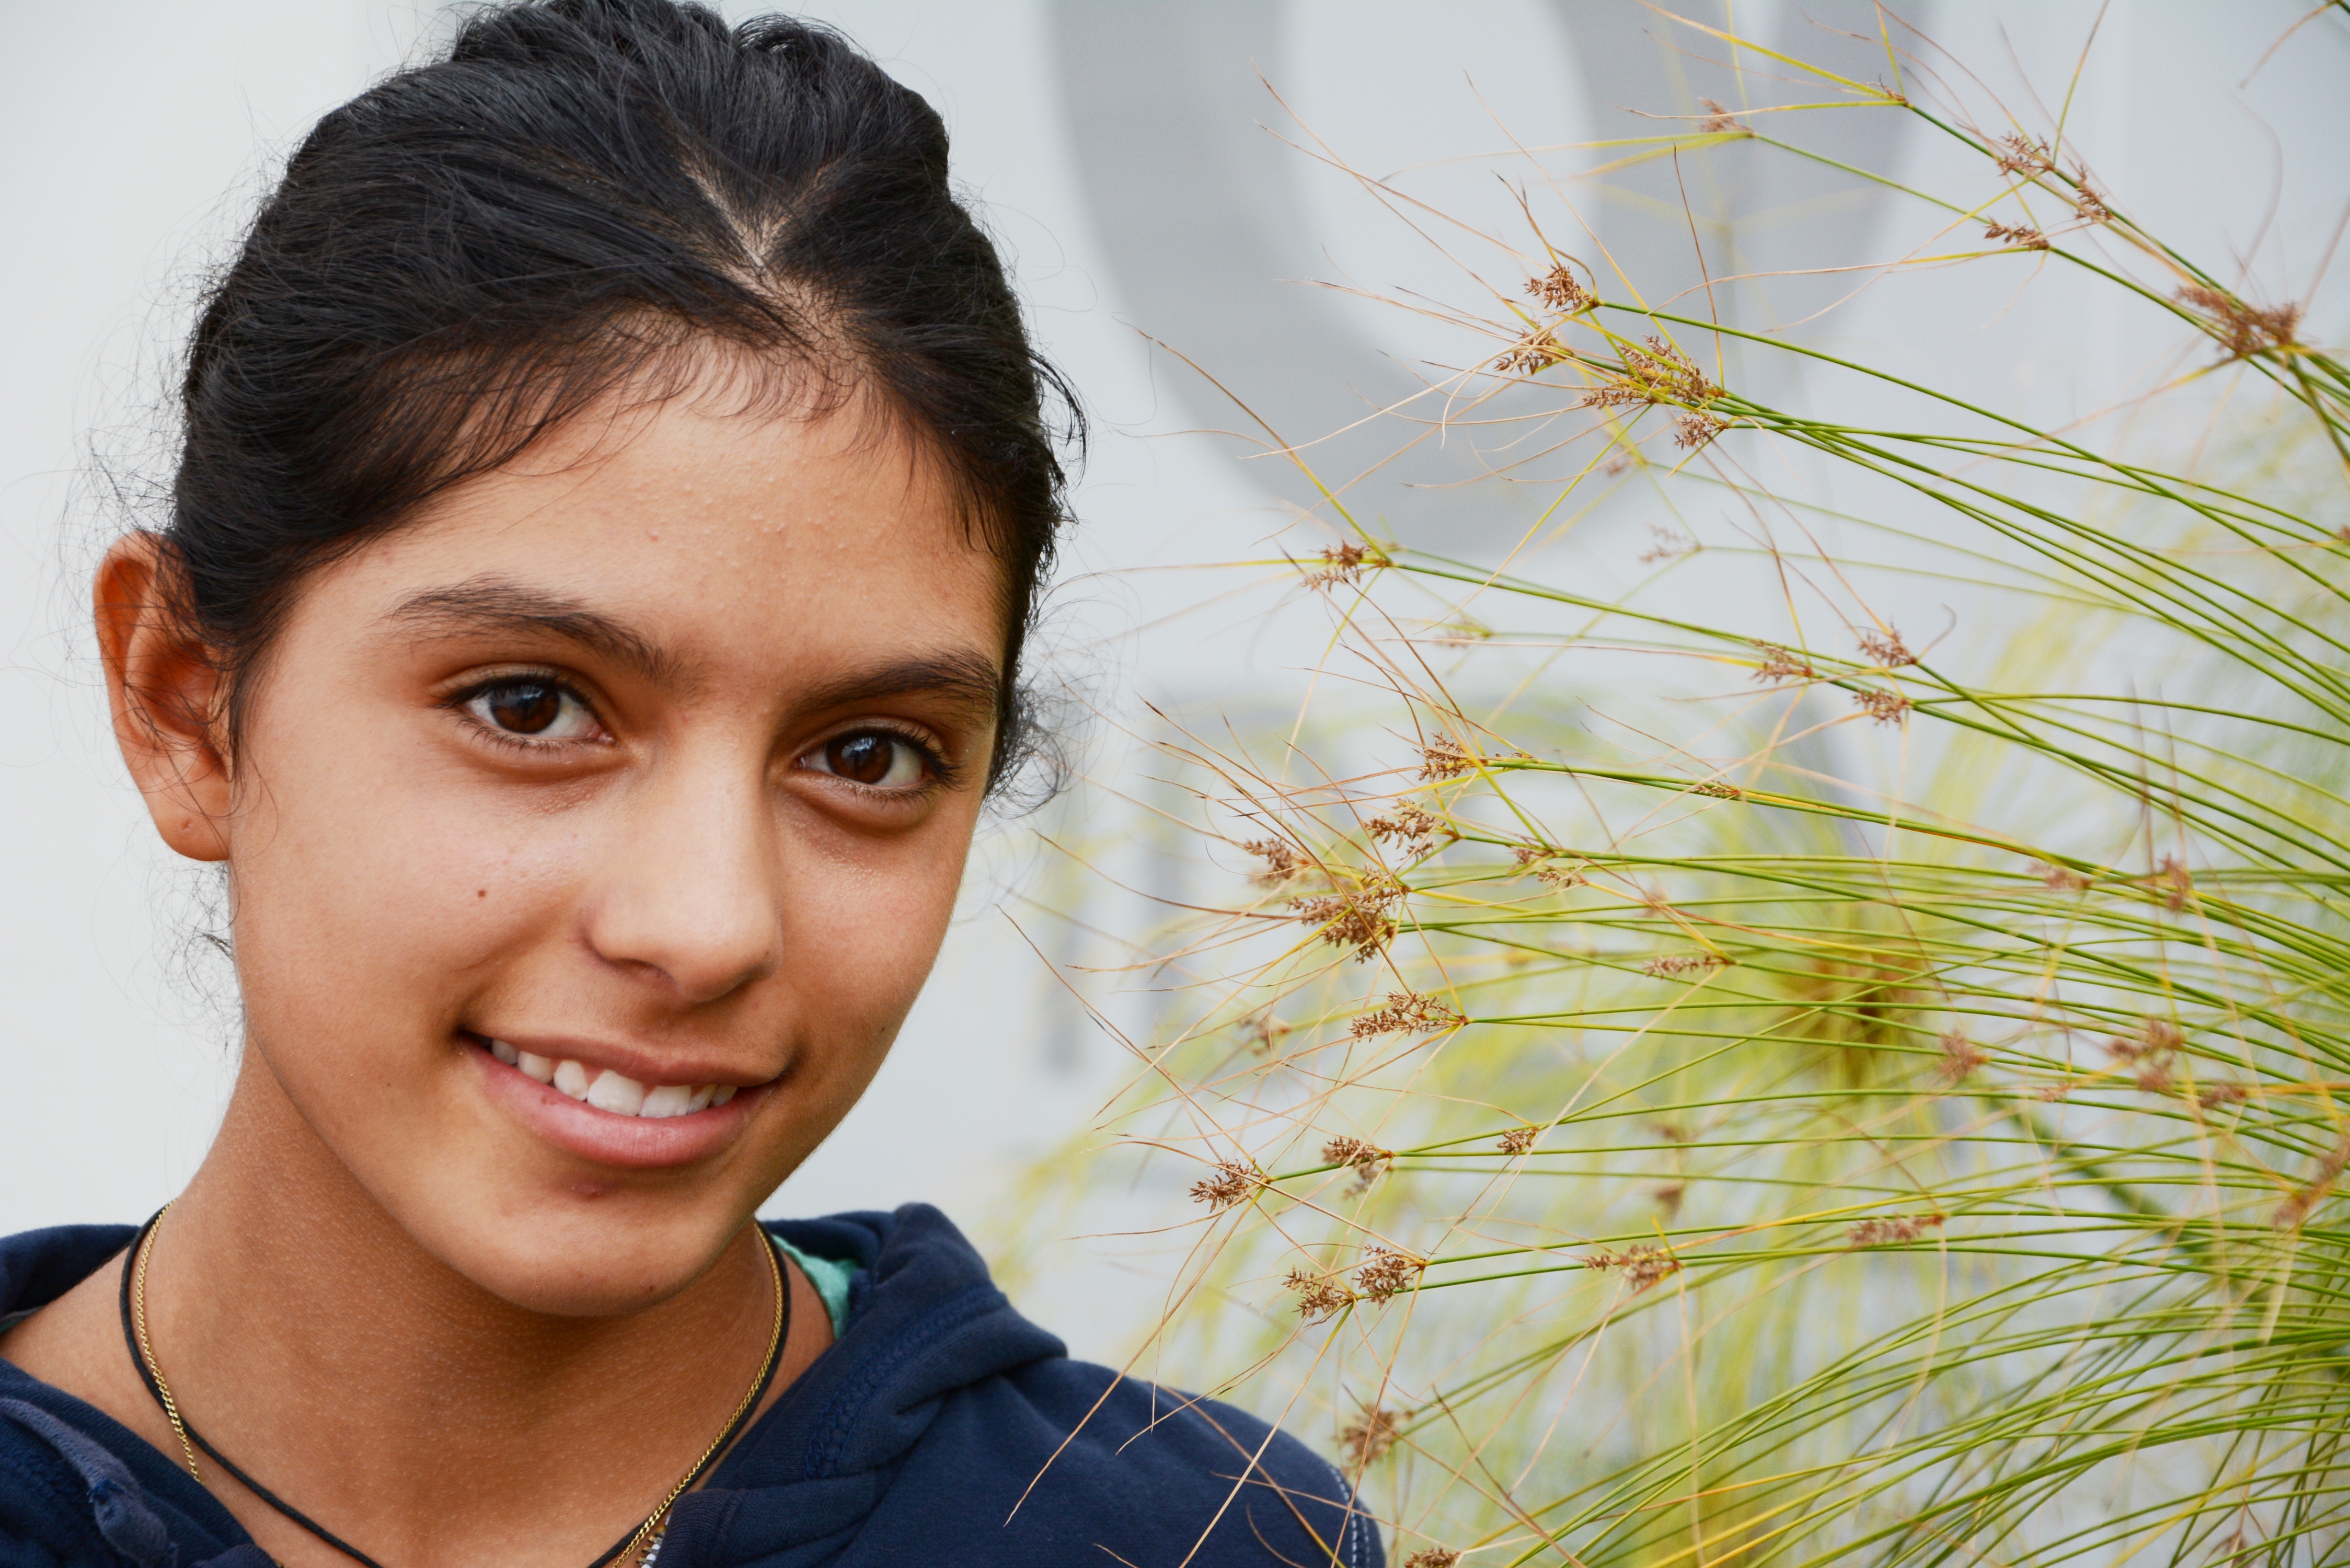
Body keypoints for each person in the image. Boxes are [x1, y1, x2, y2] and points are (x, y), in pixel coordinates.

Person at [0, 4, 1378, 1564]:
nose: (709, 925)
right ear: (187, 705)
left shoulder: (1191, 1539)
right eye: (530, 707)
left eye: (868, 757)